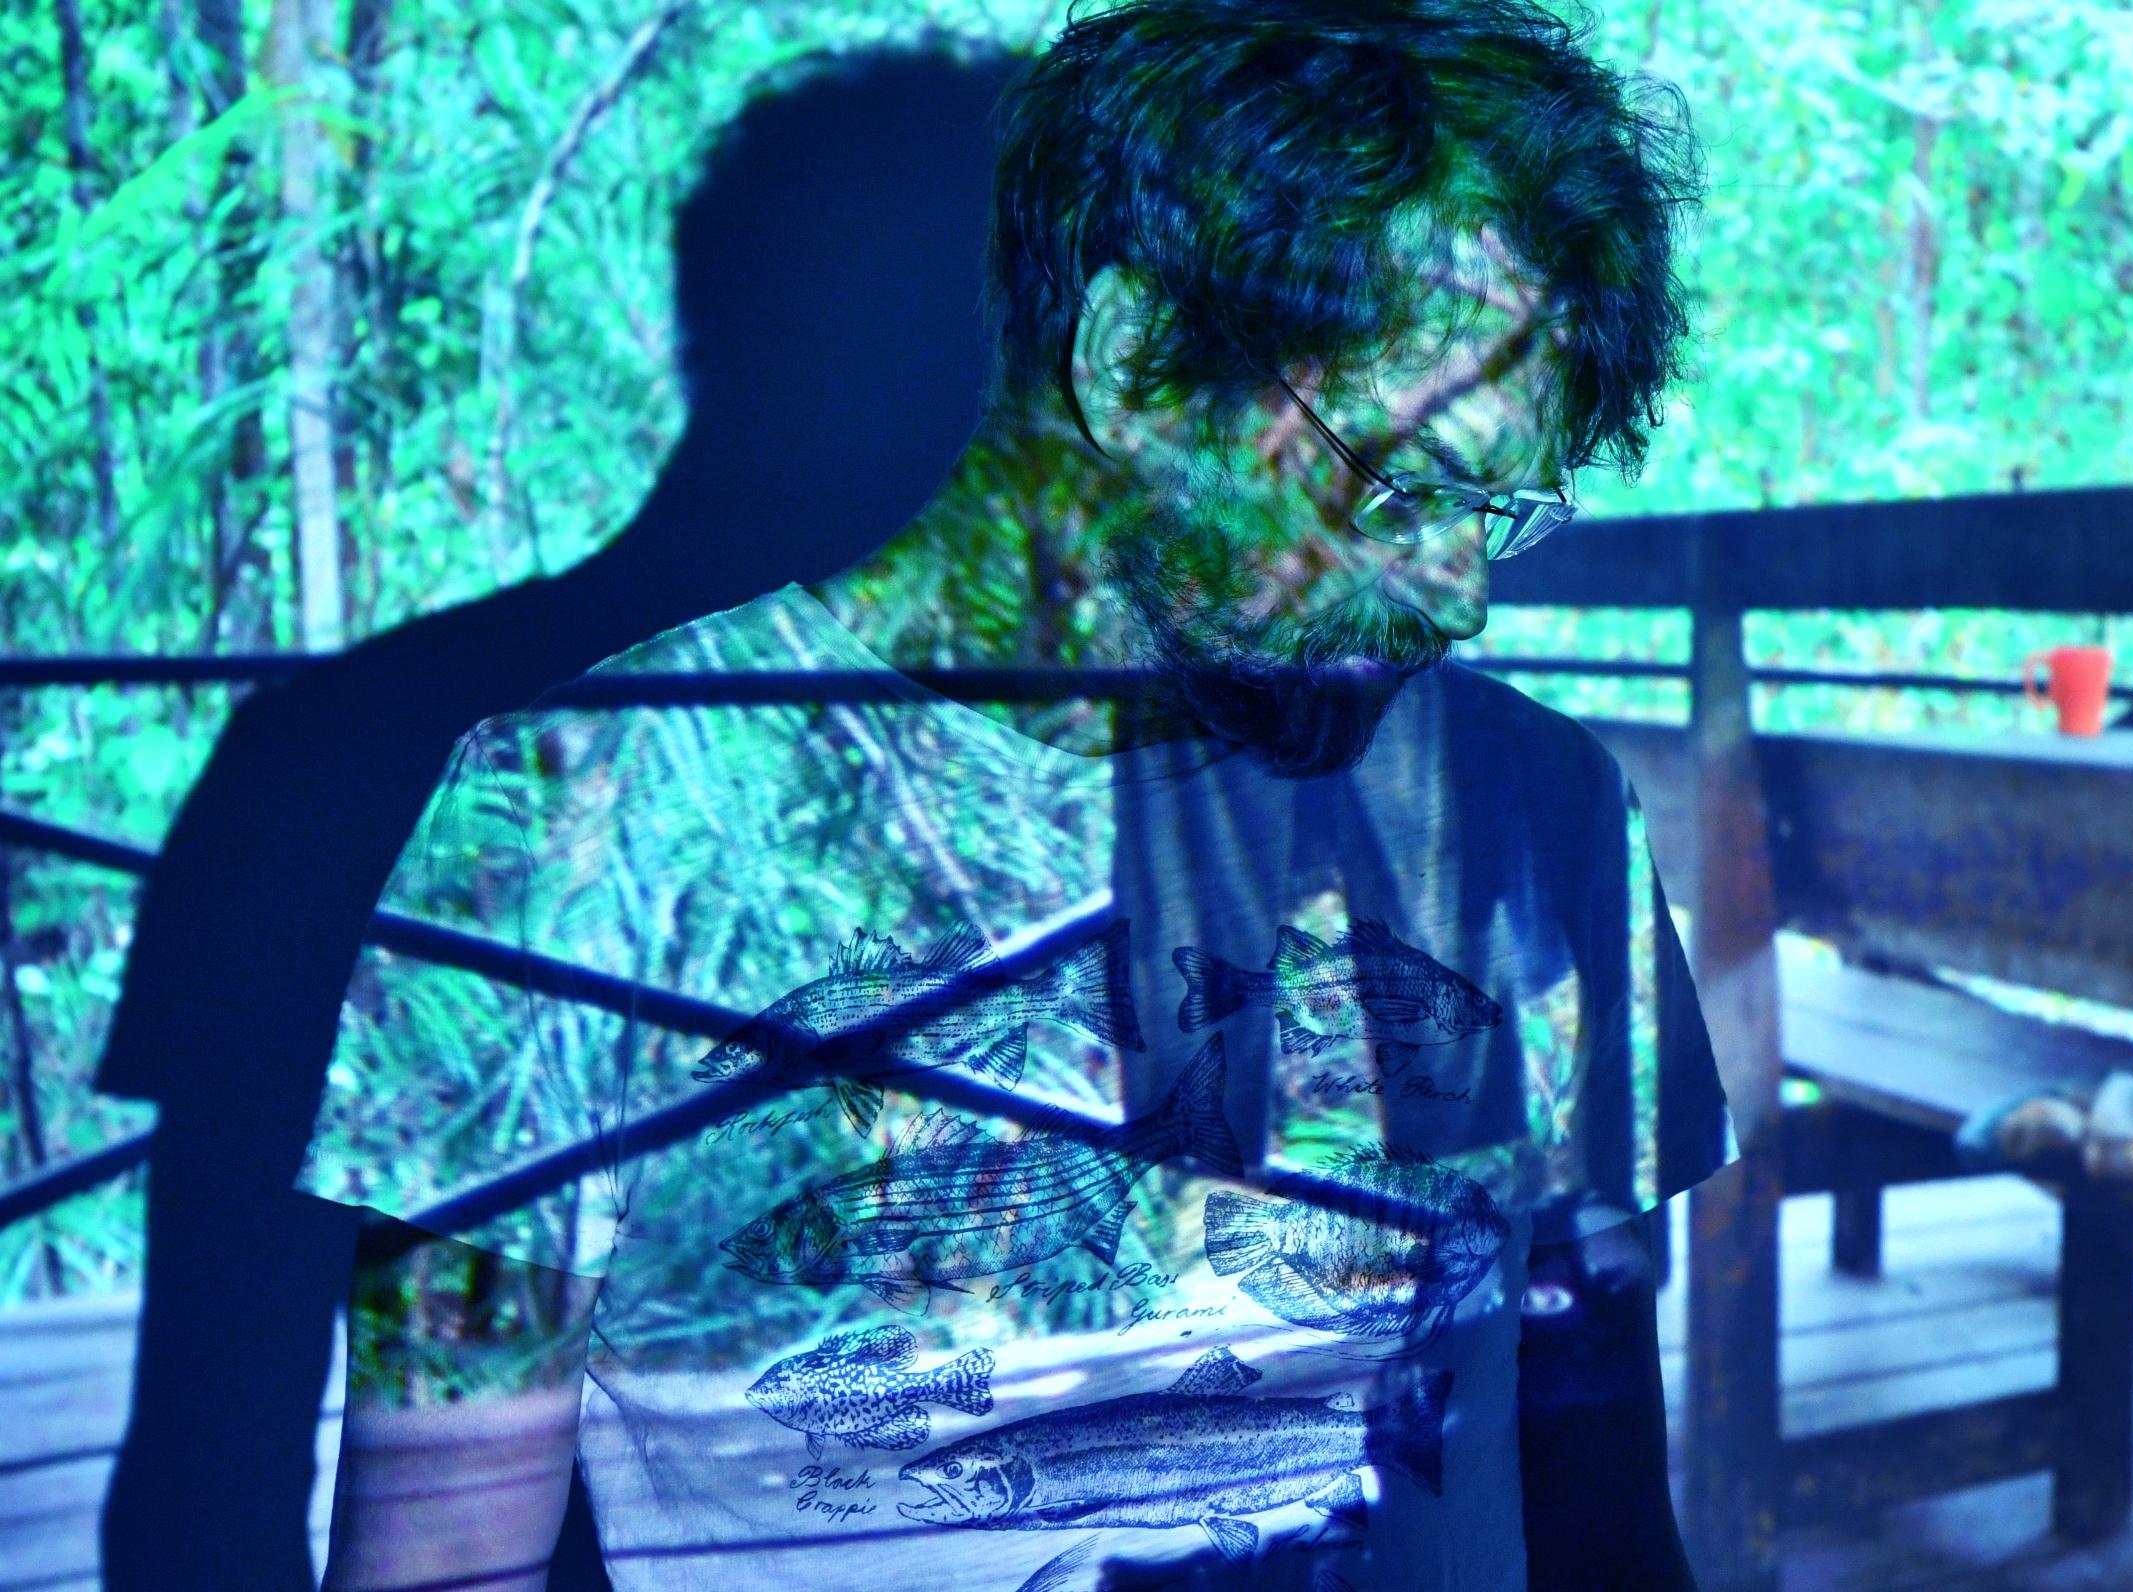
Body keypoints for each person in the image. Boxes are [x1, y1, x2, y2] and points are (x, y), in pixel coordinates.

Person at [300, 4, 1734, 1589]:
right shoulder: (572, 816)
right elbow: (442, 1550)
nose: (1462, 594)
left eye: (1502, 513)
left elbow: (1601, 1483)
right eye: (1407, 488)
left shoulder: (1538, 808)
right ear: (1134, 369)